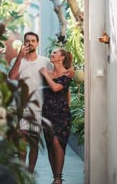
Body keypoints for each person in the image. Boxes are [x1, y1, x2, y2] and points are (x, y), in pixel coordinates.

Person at [8, 31, 52, 173]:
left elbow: (54, 77)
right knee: (22, 141)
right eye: (28, 40)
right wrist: (19, 57)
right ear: (24, 43)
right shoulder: (18, 61)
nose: (30, 43)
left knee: (34, 142)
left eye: (33, 40)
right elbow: (12, 77)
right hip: (23, 107)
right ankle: (22, 173)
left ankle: (30, 172)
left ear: (37, 43)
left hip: (39, 107)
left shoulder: (45, 61)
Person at [39, 48, 73, 184]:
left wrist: (45, 74)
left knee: (57, 142)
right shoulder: (48, 72)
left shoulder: (68, 73)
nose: (51, 54)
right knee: (50, 146)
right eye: (52, 53)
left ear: (62, 57)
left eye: (55, 53)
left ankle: (58, 177)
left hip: (62, 115)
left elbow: (56, 88)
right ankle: (55, 178)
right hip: (47, 114)